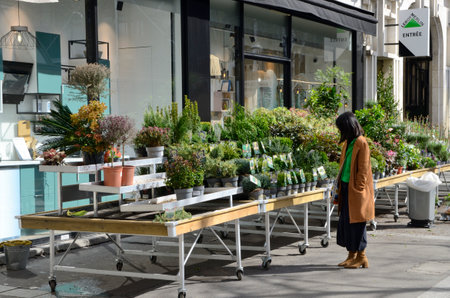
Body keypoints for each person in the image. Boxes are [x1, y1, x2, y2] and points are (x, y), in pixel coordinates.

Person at [335, 111, 375, 269]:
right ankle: (352, 255)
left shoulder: (361, 142)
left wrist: (358, 189)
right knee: (347, 223)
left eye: (341, 128)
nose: (340, 132)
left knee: (357, 224)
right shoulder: (349, 142)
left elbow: (363, 170)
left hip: (356, 191)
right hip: (345, 187)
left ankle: (362, 257)